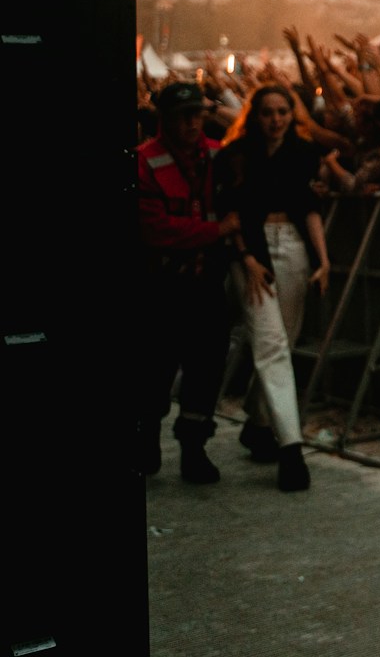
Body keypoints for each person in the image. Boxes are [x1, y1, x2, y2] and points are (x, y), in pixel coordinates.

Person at [215, 84, 328, 491]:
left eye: (283, 111)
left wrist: (324, 259)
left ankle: (259, 419)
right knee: (271, 345)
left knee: (286, 340)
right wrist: (246, 258)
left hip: (294, 247)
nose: (276, 119)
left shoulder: (303, 152)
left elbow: (309, 208)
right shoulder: (235, 156)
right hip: (252, 252)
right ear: (255, 115)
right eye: (268, 112)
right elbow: (231, 209)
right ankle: (292, 449)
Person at [136, 83, 235, 484]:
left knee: (206, 367)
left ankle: (194, 448)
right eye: (184, 115)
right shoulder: (144, 161)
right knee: (155, 370)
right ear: (166, 119)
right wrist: (215, 231)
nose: (193, 122)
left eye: (198, 114)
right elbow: (155, 230)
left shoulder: (218, 155)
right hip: (162, 287)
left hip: (207, 284)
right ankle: (147, 443)